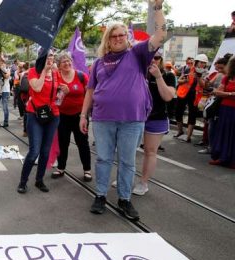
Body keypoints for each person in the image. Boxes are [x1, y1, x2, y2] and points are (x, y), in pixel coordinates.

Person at [79, 0, 167, 220]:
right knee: (103, 159)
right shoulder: (98, 63)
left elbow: (160, 35)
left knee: (127, 161)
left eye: (121, 35)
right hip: (102, 119)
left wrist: (157, 8)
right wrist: (83, 115)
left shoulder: (137, 53)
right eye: (113, 35)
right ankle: (100, 195)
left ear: (126, 37)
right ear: (107, 39)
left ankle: (124, 199)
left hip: (132, 120)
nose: (118, 38)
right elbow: (90, 91)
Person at [16, 50, 64, 194]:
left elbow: (58, 95)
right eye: (48, 56)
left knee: (45, 151)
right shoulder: (32, 71)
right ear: (42, 58)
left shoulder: (56, 73)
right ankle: (23, 181)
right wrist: (44, 71)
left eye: (52, 57)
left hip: (53, 115)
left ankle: (39, 180)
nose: (51, 59)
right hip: (35, 114)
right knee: (34, 151)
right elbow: (37, 87)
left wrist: (63, 92)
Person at [132, 51, 176, 196]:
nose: (153, 60)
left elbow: (168, 96)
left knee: (150, 151)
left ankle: (143, 182)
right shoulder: (137, 71)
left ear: (161, 59)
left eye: (156, 58)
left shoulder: (168, 75)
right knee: (128, 149)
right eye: (150, 57)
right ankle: (126, 177)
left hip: (156, 118)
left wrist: (158, 77)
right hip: (136, 116)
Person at [53, 51, 92, 182]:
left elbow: (89, 95)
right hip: (62, 116)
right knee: (62, 143)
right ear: (59, 65)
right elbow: (55, 100)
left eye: (69, 60)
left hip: (80, 116)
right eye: (64, 61)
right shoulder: (56, 77)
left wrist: (86, 114)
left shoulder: (81, 76)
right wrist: (62, 93)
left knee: (83, 143)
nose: (67, 63)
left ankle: (87, 170)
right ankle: (61, 168)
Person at [175, 54, 208, 143]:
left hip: (195, 95)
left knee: (192, 114)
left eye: (204, 63)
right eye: (201, 62)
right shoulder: (188, 69)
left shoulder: (205, 72)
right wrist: (185, 80)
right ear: (197, 62)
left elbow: (203, 85)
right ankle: (180, 131)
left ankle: (188, 136)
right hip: (183, 94)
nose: (202, 64)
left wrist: (199, 76)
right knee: (178, 112)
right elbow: (179, 80)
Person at [209, 57, 235, 168]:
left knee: (232, 133)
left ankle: (231, 159)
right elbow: (217, 92)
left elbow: (219, 92)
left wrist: (226, 93)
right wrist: (231, 94)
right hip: (225, 108)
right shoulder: (227, 78)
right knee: (224, 132)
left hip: (230, 108)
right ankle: (222, 157)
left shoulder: (227, 78)